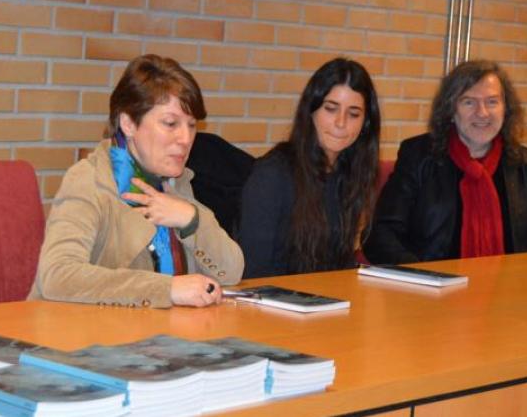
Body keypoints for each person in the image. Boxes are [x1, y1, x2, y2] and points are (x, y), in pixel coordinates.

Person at [28, 55, 244, 308]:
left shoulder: (176, 181)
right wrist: (167, 289)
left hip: (156, 336)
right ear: (129, 123)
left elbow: (231, 272)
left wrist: (192, 219)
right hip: (83, 337)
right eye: (171, 123)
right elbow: (57, 275)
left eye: (192, 125)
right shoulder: (89, 180)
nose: (186, 139)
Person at [365, 60, 527, 267]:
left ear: (506, 110)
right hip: (432, 302)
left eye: (492, 102)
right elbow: (381, 235)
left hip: (509, 301)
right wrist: (425, 276)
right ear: (451, 111)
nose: (482, 113)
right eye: (469, 102)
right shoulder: (418, 156)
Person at [237, 57, 381, 277]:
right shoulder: (272, 175)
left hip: (325, 302)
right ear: (311, 110)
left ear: (366, 123)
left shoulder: (351, 173)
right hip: (272, 302)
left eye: (353, 114)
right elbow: (252, 272)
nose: (341, 123)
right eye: (331, 109)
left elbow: (339, 266)